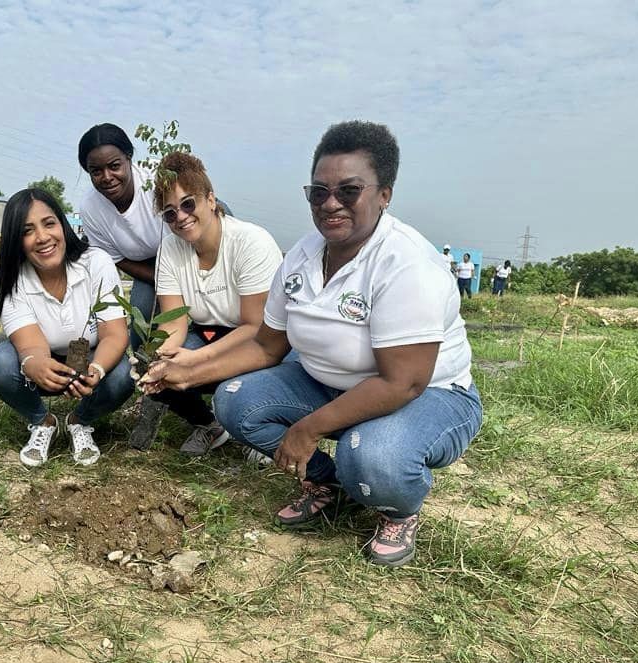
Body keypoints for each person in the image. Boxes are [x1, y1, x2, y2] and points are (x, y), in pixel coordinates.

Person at [143, 120, 482, 568]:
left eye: (349, 191)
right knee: (235, 401)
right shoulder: (301, 257)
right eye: (318, 192)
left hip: (427, 394)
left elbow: (401, 383)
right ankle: (328, 483)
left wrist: (308, 429)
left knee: (372, 455)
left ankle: (398, 509)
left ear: (385, 194)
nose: (331, 204)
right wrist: (186, 373)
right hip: (328, 384)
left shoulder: (407, 265)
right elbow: (266, 347)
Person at [0, 188, 133, 468]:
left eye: (49, 223)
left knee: (124, 373)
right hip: (45, 357)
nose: (42, 237)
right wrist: (34, 363)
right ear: (16, 240)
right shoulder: (13, 280)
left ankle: (80, 420)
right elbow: (30, 344)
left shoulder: (95, 263)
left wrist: (97, 370)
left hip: (88, 355)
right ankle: (43, 421)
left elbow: (114, 333)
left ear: (63, 225)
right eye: (28, 230)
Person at [149, 151, 282, 455]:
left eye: (187, 204)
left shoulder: (250, 242)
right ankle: (210, 426)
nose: (180, 217)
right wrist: (160, 355)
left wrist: (196, 360)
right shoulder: (170, 250)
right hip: (209, 333)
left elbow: (255, 325)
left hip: (260, 340)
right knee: (159, 370)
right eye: (170, 213)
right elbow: (174, 321)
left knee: (239, 383)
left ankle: (258, 426)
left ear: (210, 199)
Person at [77, 123, 162, 349]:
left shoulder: (157, 178)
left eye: (115, 166)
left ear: (129, 157)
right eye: (96, 171)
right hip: (147, 265)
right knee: (142, 311)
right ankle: (139, 367)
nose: (107, 177)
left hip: (186, 250)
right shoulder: (91, 209)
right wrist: (163, 280)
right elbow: (115, 258)